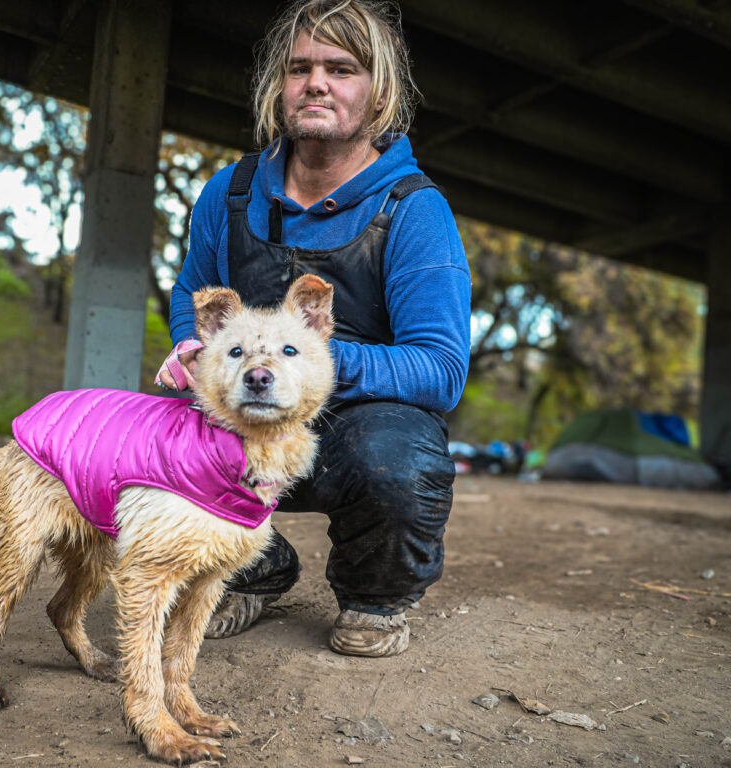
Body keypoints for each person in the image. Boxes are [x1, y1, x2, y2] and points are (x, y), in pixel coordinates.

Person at [156, 0, 470, 657]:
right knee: (155, 428)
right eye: (300, 69)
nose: (316, 82)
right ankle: (251, 568)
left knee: (397, 463)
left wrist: (310, 369)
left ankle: (374, 599)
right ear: (281, 86)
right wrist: (193, 344)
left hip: (358, 424)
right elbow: (191, 290)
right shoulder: (230, 192)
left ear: (379, 93)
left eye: (341, 68)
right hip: (245, 411)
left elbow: (440, 371)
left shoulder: (413, 210)